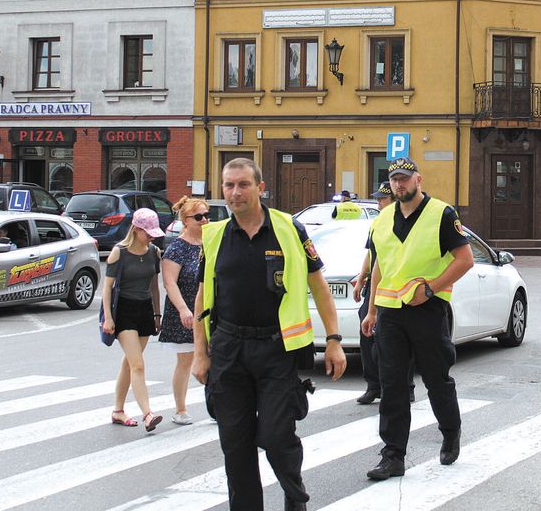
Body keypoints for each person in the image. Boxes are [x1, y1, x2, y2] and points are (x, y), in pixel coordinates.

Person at [191, 158, 345, 511]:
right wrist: (201, 352)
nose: (235, 192)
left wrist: (334, 341)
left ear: (260, 188)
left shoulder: (290, 229)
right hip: (229, 350)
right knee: (235, 443)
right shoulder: (214, 236)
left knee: (276, 437)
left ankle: (295, 496)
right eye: (229, 185)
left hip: (276, 348)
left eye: (243, 184)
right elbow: (202, 296)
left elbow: (319, 288)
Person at [361, 157, 474, 481]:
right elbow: (381, 265)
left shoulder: (441, 214)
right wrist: (371, 311)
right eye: (394, 179)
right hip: (390, 314)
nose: (399, 184)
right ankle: (393, 455)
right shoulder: (381, 220)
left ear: (418, 180)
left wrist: (432, 288)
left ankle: (450, 432)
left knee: (437, 379)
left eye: (405, 179)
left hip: (426, 309)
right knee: (393, 385)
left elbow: (464, 260)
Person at [100, 208, 165, 432]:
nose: (152, 236)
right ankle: (148, 413)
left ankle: (118, 410)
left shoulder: (154, 252)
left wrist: (157, 314)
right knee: (137, 364)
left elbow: (154, 286)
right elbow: (107, 288)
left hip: (144, 309)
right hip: (124, 310)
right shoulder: (119, 252)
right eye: (148, 232)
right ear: (136, 229)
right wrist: (108, 318)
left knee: (130, 362)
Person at [352, 182, 415, 405]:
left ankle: (406, 387)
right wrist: (361, 279)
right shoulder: (378, 223)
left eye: (382, 199)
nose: (378, 203)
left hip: (396, 287)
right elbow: (372, 254)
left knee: (397, 339)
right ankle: (373, 385)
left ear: (394, 201)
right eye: (377, 199)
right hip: (376, 286)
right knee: (367, 334)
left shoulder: (404, 222)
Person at [160, 196, 207, 425]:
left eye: (207, 215)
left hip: (209, 311)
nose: (205, 220)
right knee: (186, 361)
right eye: (199, 217)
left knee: (216, 360)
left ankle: (218, 408)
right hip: (187, 310)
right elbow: (169, 283)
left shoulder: (212, 242)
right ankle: (180, 409)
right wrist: (183, 310)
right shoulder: (176, 248)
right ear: (186, 220)